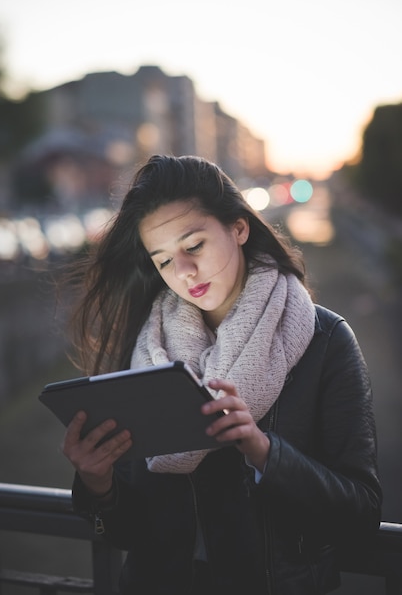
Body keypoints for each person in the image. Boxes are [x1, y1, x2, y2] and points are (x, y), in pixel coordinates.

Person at [62, 154, 381, 595]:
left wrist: (264, 451)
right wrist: (99, 485)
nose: (184, 272)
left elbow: (361, 512)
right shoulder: (147, 348)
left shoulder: (325, 340)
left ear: (239, 227)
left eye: (193, 246)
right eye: (164, 261)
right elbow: (131, 535)